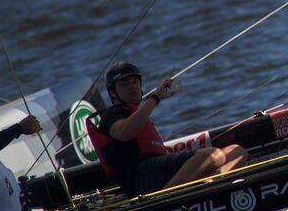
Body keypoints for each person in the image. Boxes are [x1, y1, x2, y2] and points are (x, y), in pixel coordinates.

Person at [90, 62, 248, 196]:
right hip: (140, 177)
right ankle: (164, 198)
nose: (132, 86)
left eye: (135, 82)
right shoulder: (111, 115)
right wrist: (156, 98)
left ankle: (209, 183)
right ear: (113, 92)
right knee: (213, 156)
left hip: (159, 169)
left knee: (237, 151)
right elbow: (124, 133)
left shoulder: (138, 113)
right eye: (125, 83)